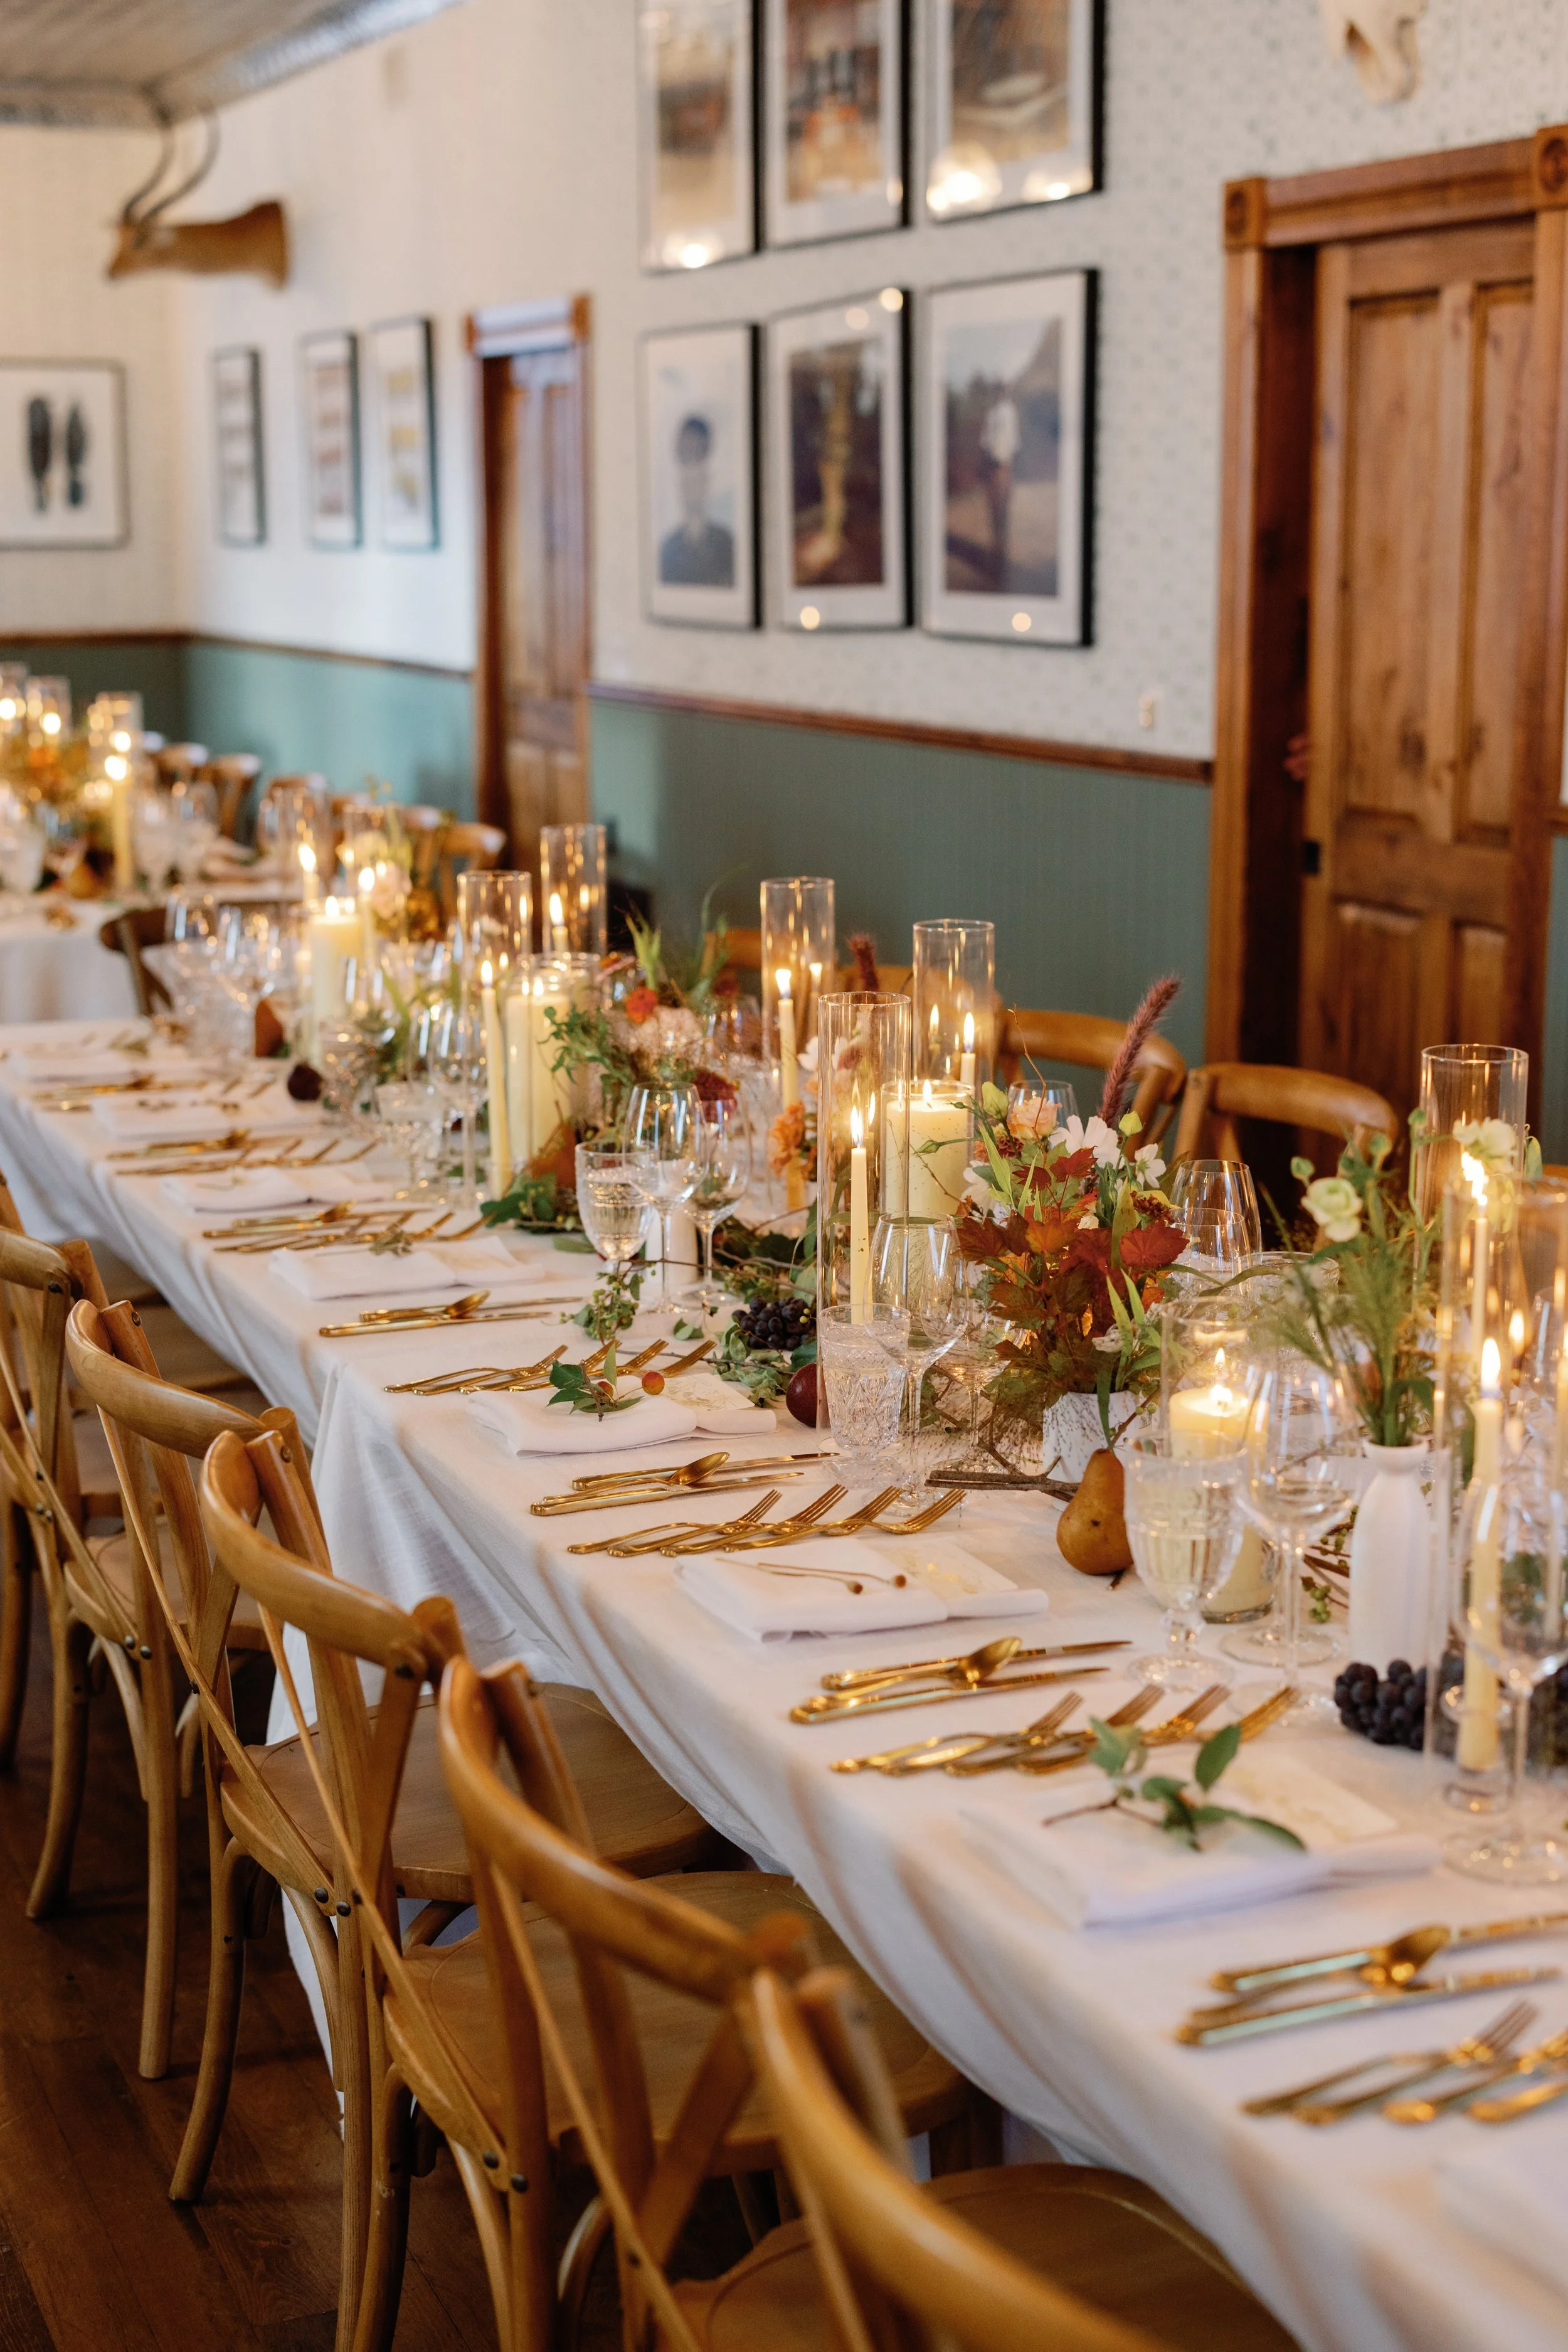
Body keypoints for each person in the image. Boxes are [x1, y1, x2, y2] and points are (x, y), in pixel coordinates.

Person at [659, 413, 734, 587]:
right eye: (687, 457)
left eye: (698, 455)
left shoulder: (725, 542)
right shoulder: (669, 548)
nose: (692, 474)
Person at [977, 388, 1020, 582]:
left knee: (1002, 509)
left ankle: (1001, 556)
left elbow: (1012, 441)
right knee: (993, 509)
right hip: (991, 465)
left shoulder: (1009, 412)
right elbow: (985, 440)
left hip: (1003, 465)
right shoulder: (992, 413)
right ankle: (996, 552)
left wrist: (1003, 462)